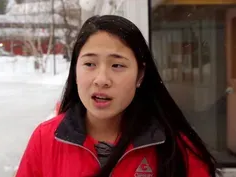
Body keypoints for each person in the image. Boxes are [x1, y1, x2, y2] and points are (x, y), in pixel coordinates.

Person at [15, 15, 219, 177]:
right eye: (89, 64)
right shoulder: (46, 139)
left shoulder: (176, 149)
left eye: (117, 65)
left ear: (140, 75)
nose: (101, 79)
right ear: (75, 71)